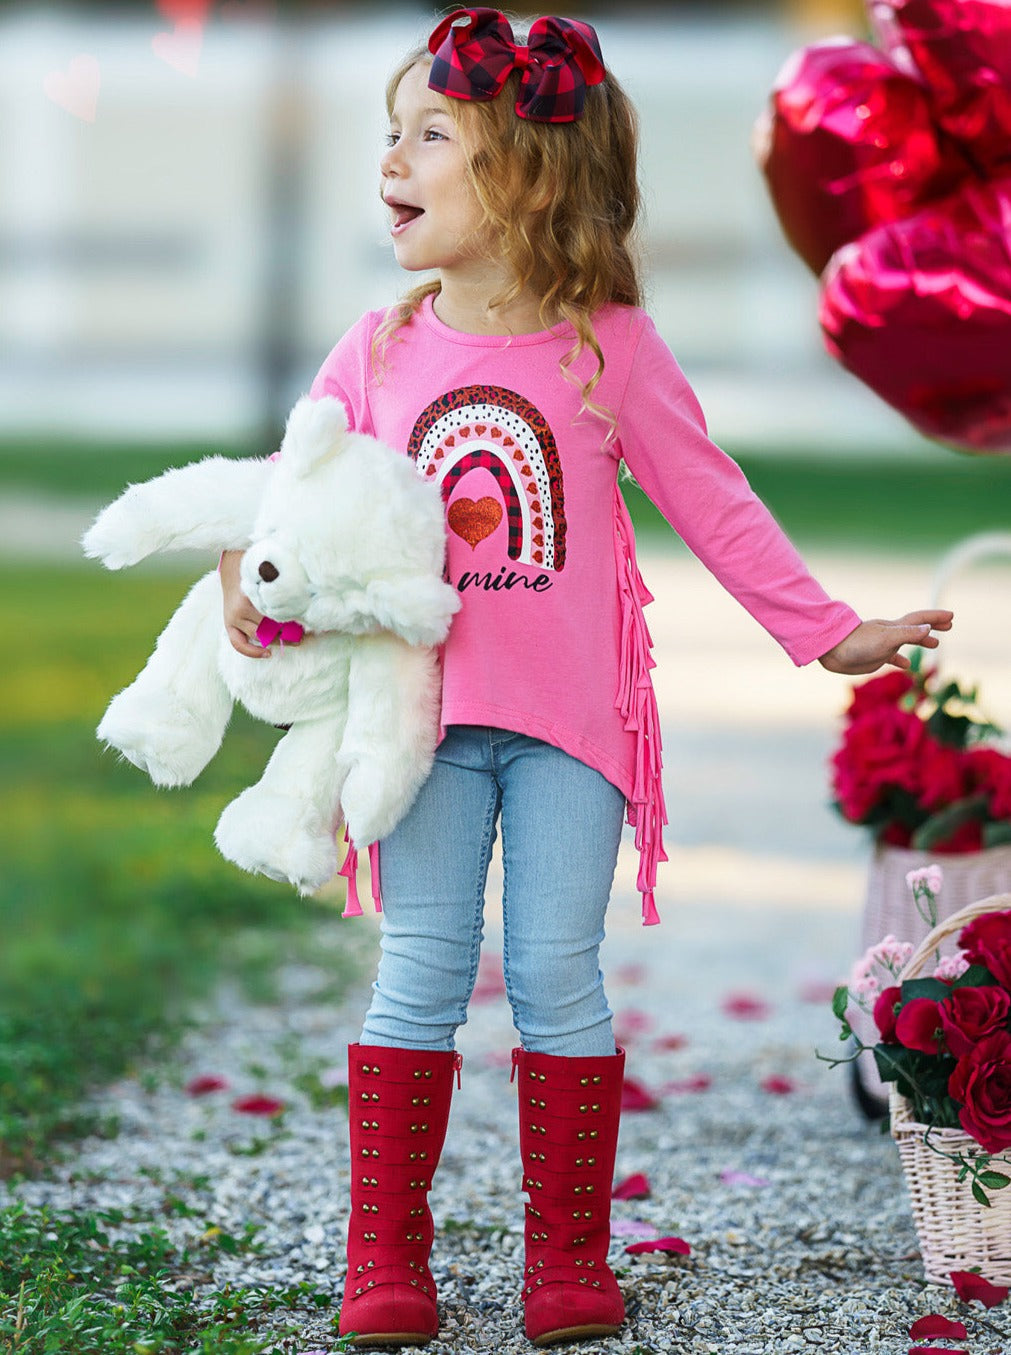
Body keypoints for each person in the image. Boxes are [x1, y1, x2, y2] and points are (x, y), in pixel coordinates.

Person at [220, 9, 953, 1348]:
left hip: (570, 731)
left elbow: (712, 501)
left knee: (559, 969)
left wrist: (825, 625)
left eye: (427, 135)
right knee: (421, 970)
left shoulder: (606, 344)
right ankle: (386, 1259)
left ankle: (567, 1259)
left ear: (525, 175)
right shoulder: (377, 353)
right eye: (391, 134)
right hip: (424, 728)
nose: (391, 158)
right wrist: (255, 603)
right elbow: (293, 518)